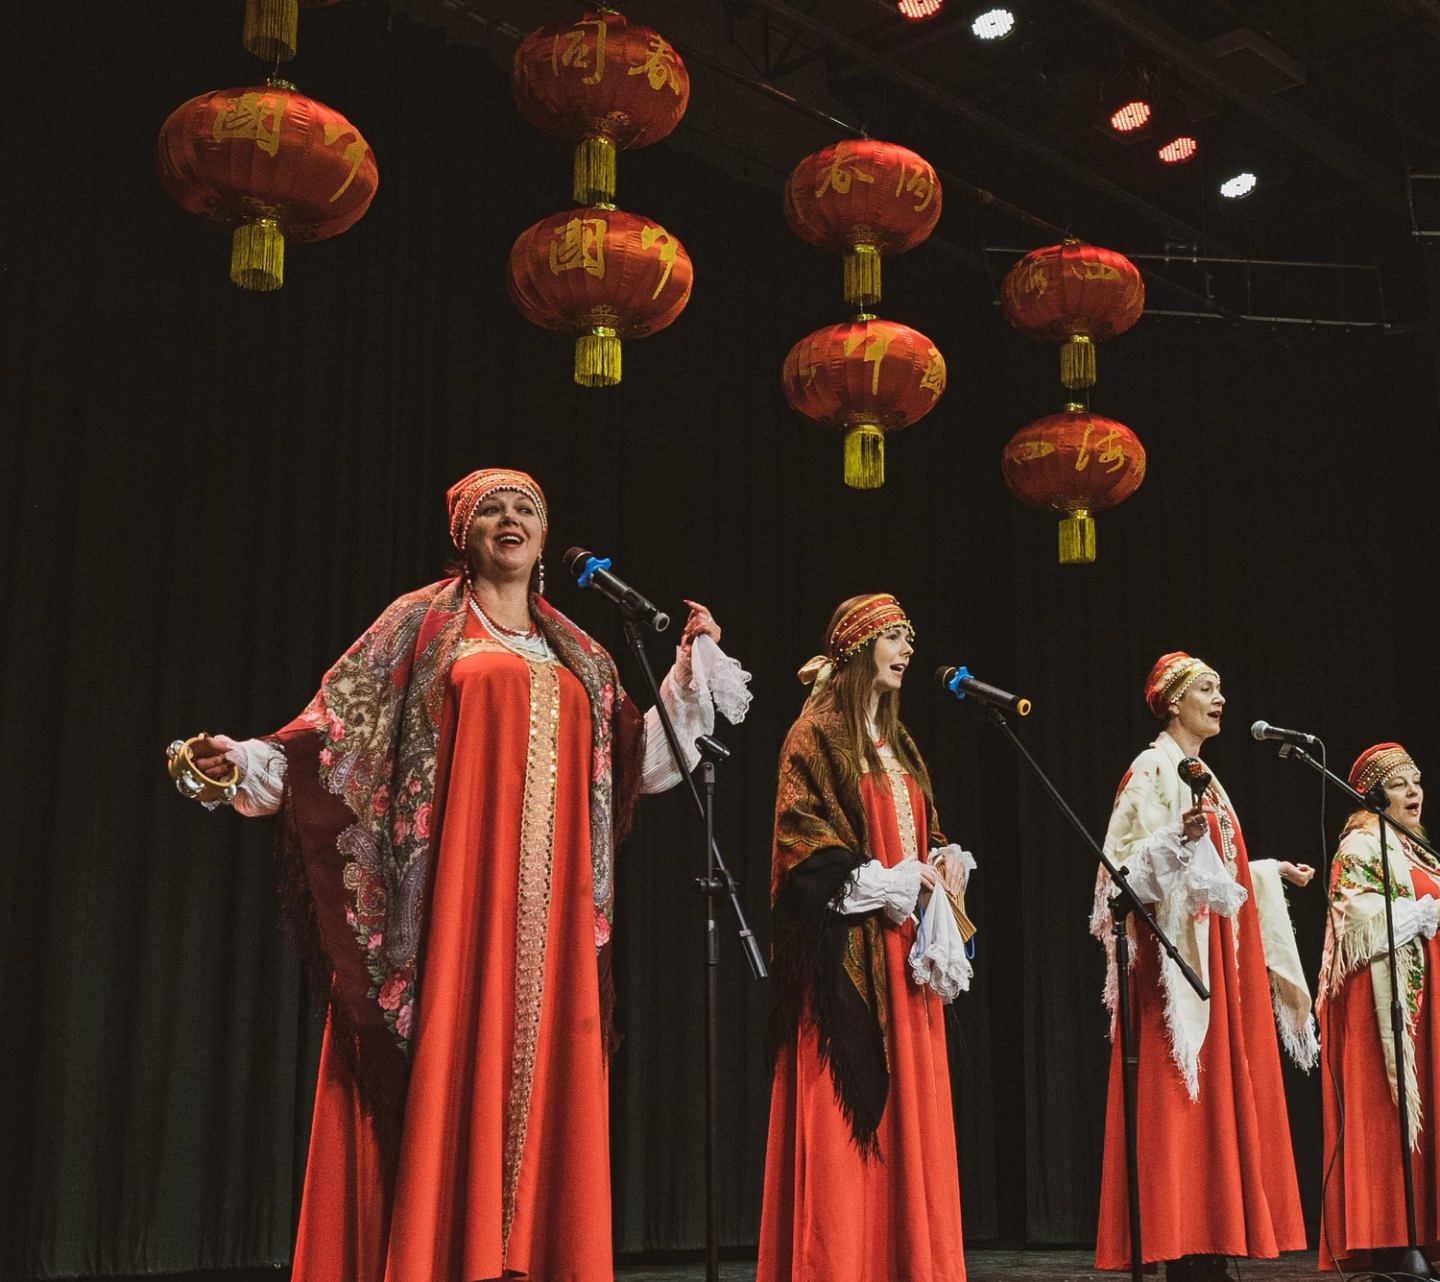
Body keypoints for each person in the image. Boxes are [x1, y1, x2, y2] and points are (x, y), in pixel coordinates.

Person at [164, 467, 747, 1282]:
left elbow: (634, 766)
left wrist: (689, 675)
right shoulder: (421, 625)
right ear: (462, 536)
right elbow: (339, 733)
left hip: (554, 928)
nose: (510, 519)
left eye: (527, 509)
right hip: (451, 911)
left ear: (545, 539)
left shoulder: (580, 652)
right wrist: (250, 761)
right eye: (491, 509)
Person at [757, 593, 974, 1282]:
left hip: (906, 960)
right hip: (849, 961)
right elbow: (800, 848)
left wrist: (941, 859)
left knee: (916, 1123)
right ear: (856, 649)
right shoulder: (815, 734)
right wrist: (888, 882)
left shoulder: (900, 743)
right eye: (892, 636)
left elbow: (923, 827)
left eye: (910, 637)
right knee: (847, 1131)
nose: (907, 648)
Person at [1090, 653, 1317, 1282]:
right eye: (1206, 688)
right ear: (1172, 700)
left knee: (1214, 1093)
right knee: (1178, 1095)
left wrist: (1267, 875)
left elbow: (1221, 872)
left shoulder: (1205, 777)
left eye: (1221, 687)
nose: (1220, 698)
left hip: (1218, 958)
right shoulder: (1150, 771)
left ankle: (1212, 1233)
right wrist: (1177, 842)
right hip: (1173, 967)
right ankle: (1182, 1235)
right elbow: (1117, 880)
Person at [1315, 742, 1440, 1272]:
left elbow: (1438, 920)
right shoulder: (1361, 844)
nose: (1415, 792)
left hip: (1427, 1004)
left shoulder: (1419, 852)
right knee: (1387, 1113)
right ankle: (1389, 1236)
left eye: (1417, 783)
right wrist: (1433, 912)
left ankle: (1419, 1233)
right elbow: (1354, 917)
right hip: (1380, 1008)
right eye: (1401, 784)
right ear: (1374, 793)